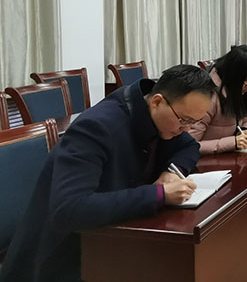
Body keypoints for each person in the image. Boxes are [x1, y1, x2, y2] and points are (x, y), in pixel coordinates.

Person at [0, 65, 215, 282]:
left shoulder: (159, 117)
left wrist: (172, 172)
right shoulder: (95, 128)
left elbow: (189, 146)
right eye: (184, 120)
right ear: (157, 101)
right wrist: (159, 194)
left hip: (111, 244)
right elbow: (69, 209)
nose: (185, 129)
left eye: (193, 122)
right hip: (61, 260)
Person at [189, 45, 247, 154]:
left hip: (228, 157)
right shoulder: (208, 98)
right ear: (234, 74)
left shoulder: (238, 90)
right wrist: (232, 143)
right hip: (205, 161)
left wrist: (245, 131)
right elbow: (189, 146)